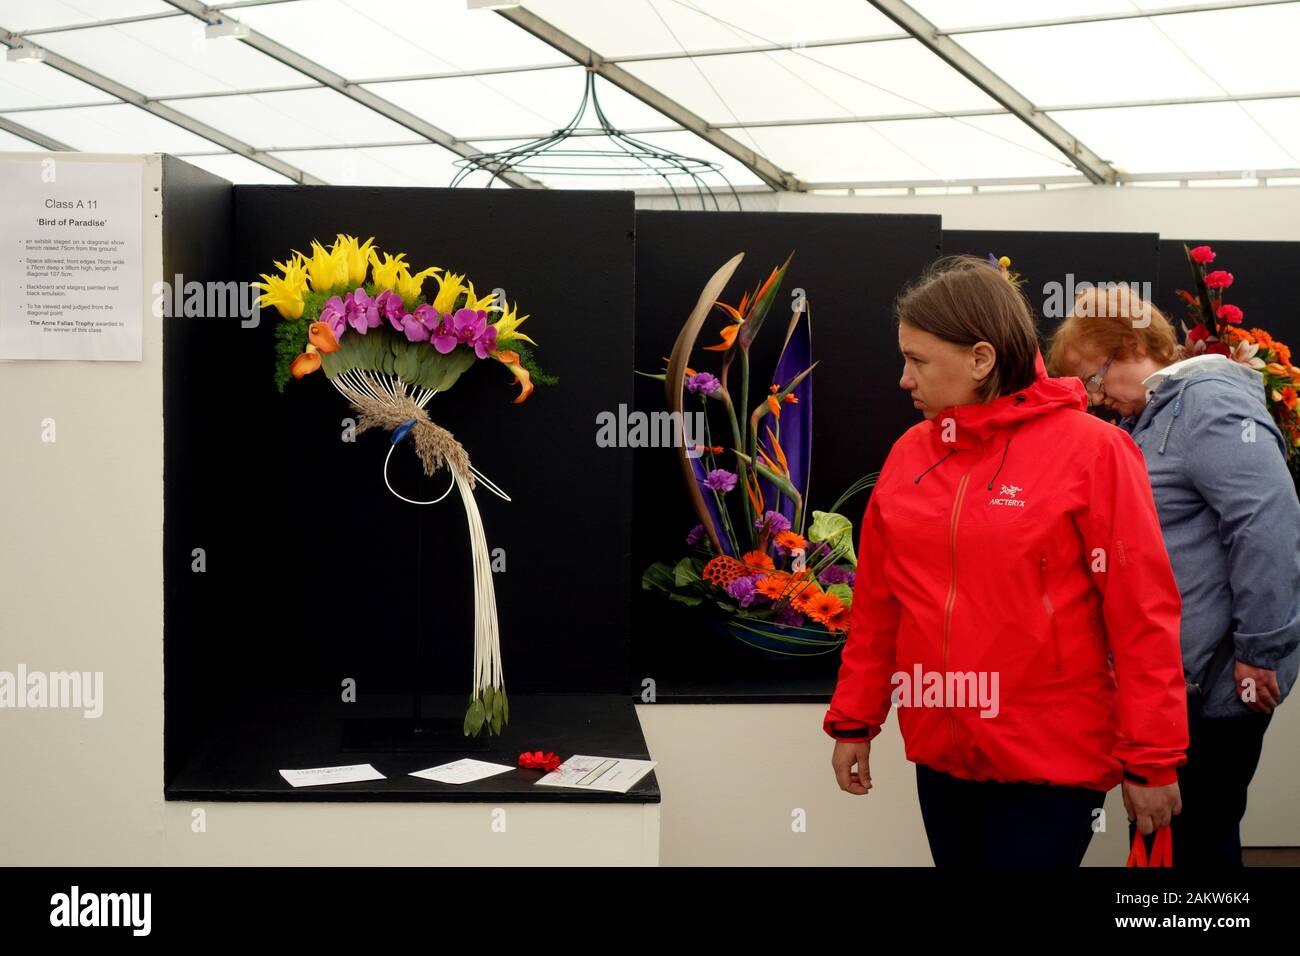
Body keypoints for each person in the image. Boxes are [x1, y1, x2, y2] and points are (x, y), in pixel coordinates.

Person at [825, 256, 1187, 867]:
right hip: (943, 755)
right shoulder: (909, 454)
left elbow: (1142, 611)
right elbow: (879, 606)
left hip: (1051, 761)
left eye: (917, 360)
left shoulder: (1095, 451)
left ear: (981, 359)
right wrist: (855, 719)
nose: (903, 379)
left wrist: (1151, 757)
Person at [1047, 283, 1300, 867]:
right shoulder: (1160, 413)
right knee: (1182, 842)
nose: (1094, 397)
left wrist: (1262, 651)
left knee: (1196, 839)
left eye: (1095, 376)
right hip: (1183, 684)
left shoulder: (1208, 403)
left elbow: (1269, 521)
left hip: (1213, 688)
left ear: (1134, 344)